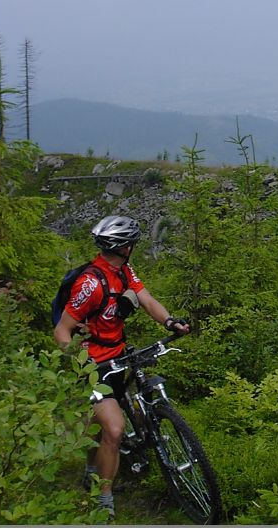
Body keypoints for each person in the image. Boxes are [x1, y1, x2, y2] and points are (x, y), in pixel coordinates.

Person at [53, 215, 189, 521]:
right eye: (132, 243)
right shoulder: (91, 283)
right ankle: (104, 498)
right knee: (113, 430)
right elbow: (62, 331)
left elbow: (147, 299)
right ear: (125, 246)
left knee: (103, 423)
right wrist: (82, 365)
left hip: (117, 355)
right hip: (93, 364)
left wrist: (169, 320)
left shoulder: (124, 271)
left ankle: (94, 467)